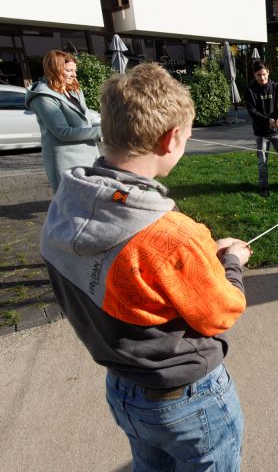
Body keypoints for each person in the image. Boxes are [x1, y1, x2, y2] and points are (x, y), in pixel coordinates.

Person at [40, 63, 252, 471]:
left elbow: (134, 277)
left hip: (124, 390)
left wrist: (196, 260)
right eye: (187, 138)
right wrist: (232, 261)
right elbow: (222, 312)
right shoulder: (171, 236)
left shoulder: (68, 202)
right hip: (188, 402)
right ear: (171, 138)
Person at [25, 50, 102, 191]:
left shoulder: (74, 90)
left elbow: (85, 117)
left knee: (92, 201)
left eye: (75, 70)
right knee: (71, 205)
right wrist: (103, 131)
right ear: (54, 69)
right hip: (67, 162)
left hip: (89, 156)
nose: (74, 74)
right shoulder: (43, 98)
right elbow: (63, 132)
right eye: (69, 70)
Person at [244, 60, 278, 197]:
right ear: (254, 75)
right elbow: (252, 111)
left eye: (264, 74)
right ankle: (263, 187)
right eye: (259, 75)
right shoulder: (250, 91)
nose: (262, 78)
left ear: (268, 72)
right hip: (261, 133)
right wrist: (268, 121)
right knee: (262, 162)